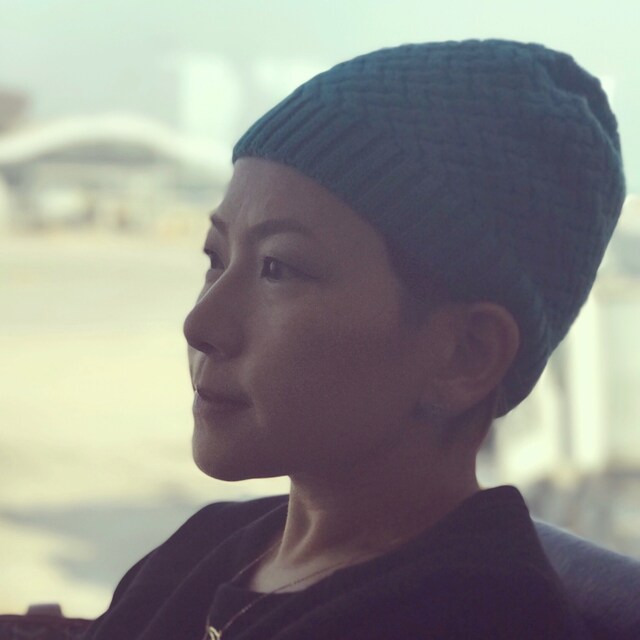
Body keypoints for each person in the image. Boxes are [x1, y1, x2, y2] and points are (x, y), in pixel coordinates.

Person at [84, 39, 625, 639]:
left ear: (465, 354)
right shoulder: (209, 548)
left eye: (278, 268)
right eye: (215, 258)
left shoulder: (476, 620)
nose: (200, 325)